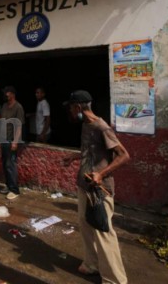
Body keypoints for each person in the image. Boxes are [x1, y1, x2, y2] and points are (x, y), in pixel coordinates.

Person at [63, 90, 130, 283]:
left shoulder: (101, 127)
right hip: (84, 186)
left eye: (70, 107)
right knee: (85, 226)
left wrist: (101, 174)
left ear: (78, 107)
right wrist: (75, 156)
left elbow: (124, 155)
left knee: (103, 231)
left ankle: (115, 280)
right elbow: (90, 150)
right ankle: (92, 265)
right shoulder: (85, 125)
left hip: (100, 190)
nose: (69, 111)